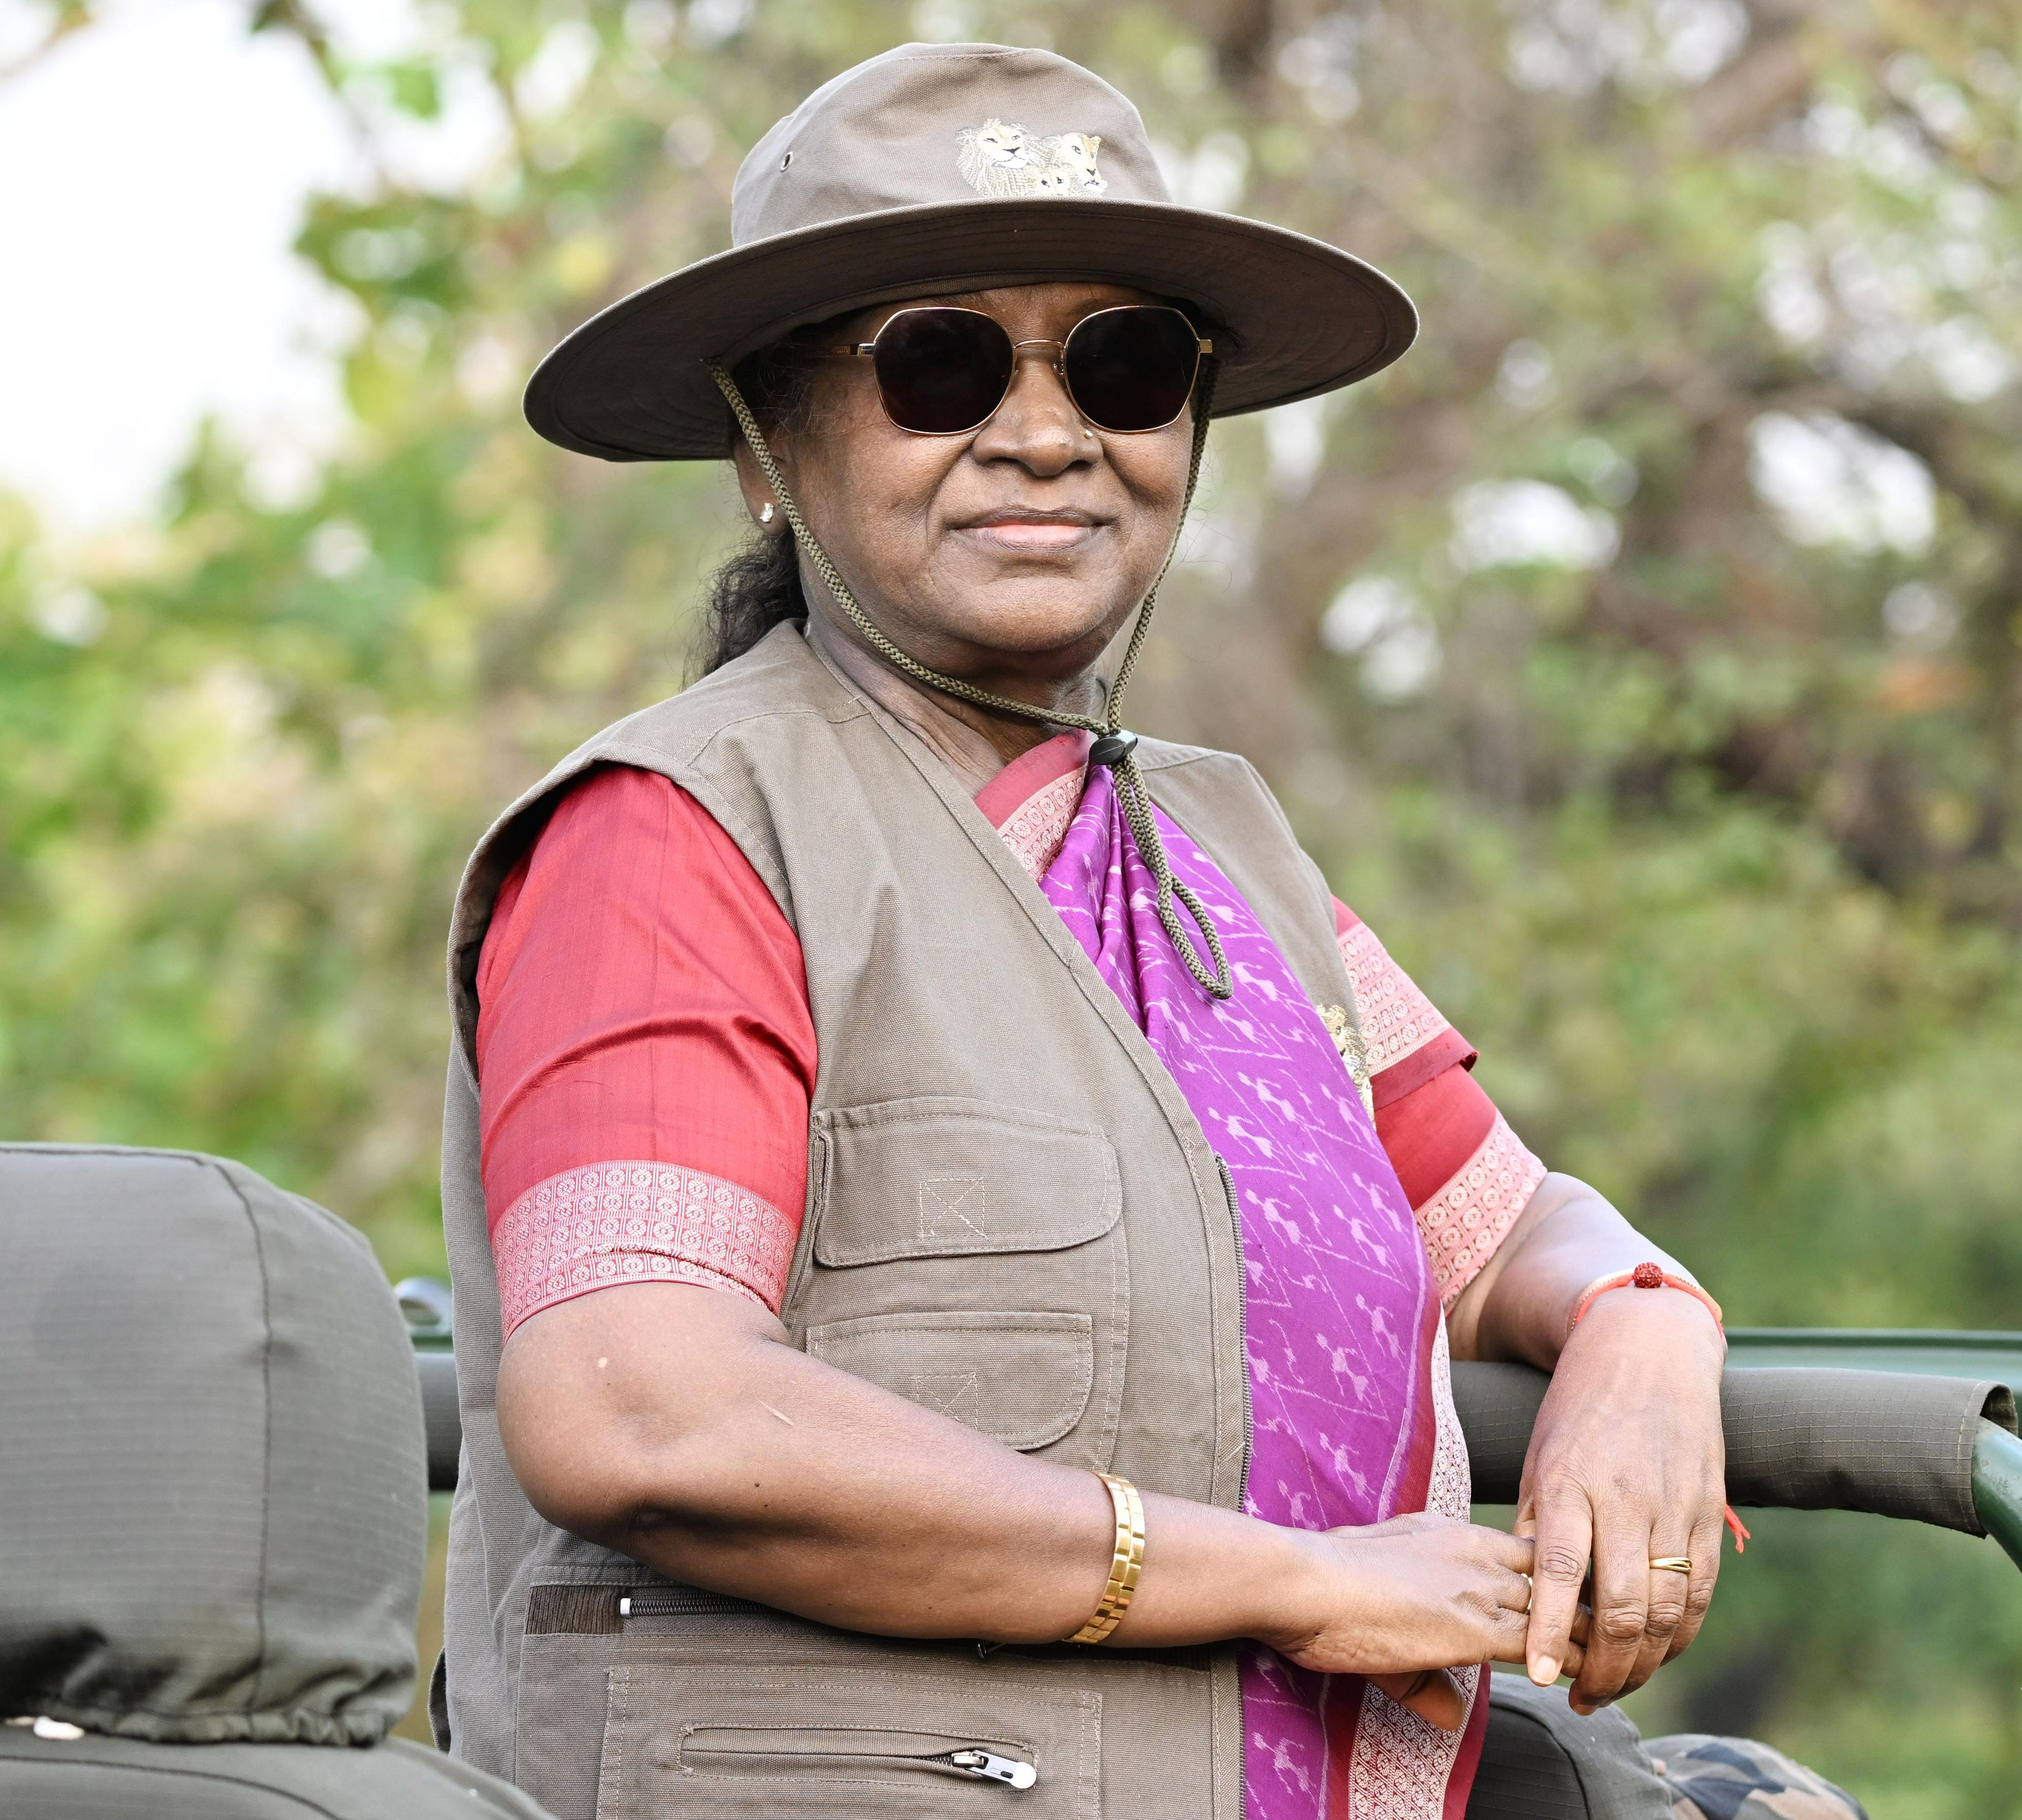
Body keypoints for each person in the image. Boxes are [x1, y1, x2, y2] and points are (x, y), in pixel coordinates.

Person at [436, 41, 1867, 1820]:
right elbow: (641, 1409)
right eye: (940, 363)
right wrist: (1290, 1581)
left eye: (1120, 365)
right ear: (763, 442)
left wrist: (1643, 1326)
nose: (1046, 434)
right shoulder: (676, 835)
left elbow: (1502, 1227)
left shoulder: (1218, 850)